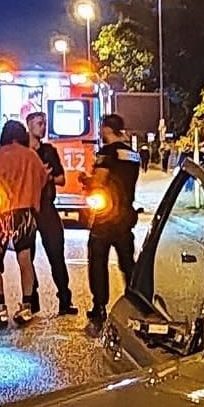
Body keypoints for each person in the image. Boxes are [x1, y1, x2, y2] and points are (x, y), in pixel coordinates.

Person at [0, 120, 48, 325]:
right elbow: (42, 180)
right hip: (27, 214)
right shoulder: (32, 156)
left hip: (4, 214)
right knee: (25, 261)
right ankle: (26, 306)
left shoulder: (0, 154)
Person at [84, 112, 144, 324]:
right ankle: (138, 303)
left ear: (106, 129)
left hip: (105, 216)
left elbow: (100, 181)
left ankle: (99, 306)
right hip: (126, 214)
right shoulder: (133, 155)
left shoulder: (107, 153)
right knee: (128, 262)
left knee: (98, 261)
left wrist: (86, 180)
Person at [26, 111, 76, 316]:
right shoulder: (21, 152)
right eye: (39, 123)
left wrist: (47, 178)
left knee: (56, 253)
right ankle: (31, 299)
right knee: (26, 255)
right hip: (28, 207)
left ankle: (65, 298)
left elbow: (61, 179)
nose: (43, 127)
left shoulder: (49, 151)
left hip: (47, 206)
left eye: (44, 124)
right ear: (28, 125)